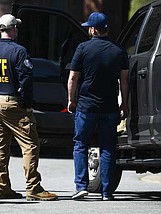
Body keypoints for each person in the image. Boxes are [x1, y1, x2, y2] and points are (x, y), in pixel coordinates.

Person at [0, 14, 58, 201]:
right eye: (17, 28)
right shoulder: (19, 51)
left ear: (0, 30)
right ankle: (33, 187)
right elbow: (26, 80)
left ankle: (1, 187)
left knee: (1, 146)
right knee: (30, 145)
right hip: (13, 103)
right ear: (13, 29)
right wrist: (27, 105)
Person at [67, 12, 129, 201]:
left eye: (89, 27)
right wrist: (124, 104)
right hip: (110, 106)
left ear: (93, 29)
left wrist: (71, 99)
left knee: (80, 145)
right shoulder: (119, 51)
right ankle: (107, 192)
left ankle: (81, 186)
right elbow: (124, 81)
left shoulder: (83, 48)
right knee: (108, 147)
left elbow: (73, 77)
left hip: (86, 106)